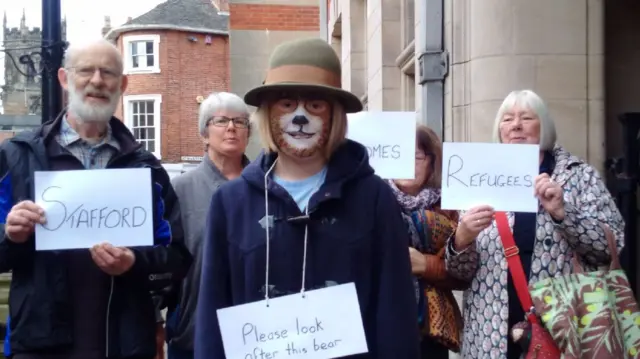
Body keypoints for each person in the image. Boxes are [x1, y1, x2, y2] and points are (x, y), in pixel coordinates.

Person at [194, 38, 420, 359]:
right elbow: (212, 314)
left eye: (314, 105)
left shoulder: (374, 198)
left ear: (335, 115)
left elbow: (395, 312)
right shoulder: (230, 204)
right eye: (287, 104)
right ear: (269, 112)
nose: (300, 116)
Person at [0, 38, 192, 359]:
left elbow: (176, 257)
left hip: (124, 346)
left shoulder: (145, 168)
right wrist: (11, 235)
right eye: (85, 70)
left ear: (123, 84)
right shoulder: (17, 157)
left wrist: (133, 263)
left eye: (108, 72)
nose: (97, 80)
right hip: (40, 347)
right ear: (63, 78)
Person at [445, 89, 625, 359]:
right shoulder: (477, 178)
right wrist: (462, 239)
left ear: (544, 126)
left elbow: (608, 248)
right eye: (507, 119)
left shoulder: (578, 175)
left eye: (526, 117)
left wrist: (564, 213)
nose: (515, 125)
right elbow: (459, 274)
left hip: (561, 330)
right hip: (490, 337)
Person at [165, 92, 251, 359]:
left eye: (240, 121)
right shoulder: (179, 189)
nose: (231, 128)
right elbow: (163, 259)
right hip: (193, 330)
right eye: (221, 121)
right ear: (203, 134)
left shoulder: (267, 188)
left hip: (254, 330)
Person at [389, 125, 464, 357]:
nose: (406, 163)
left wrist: (425, 264)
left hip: (431, 330)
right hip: (382, 321)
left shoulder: (450, 206)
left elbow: (464, 273)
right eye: (399, 153)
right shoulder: (373, 201)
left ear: (431, 161)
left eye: (415, 156)